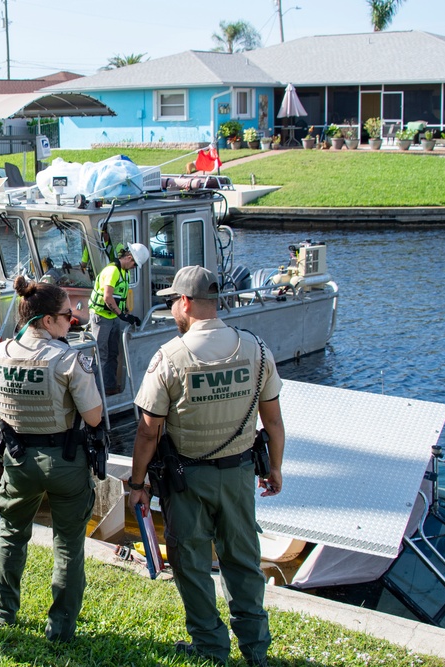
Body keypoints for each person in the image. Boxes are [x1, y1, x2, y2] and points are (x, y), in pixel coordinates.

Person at [126, 265, 285, 667]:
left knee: (190, 561)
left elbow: (148, 433)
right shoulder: (256, 348)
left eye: (173, 304)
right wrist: (275, 468)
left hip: (186, 480)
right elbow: (274, 421)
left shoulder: (170, 357)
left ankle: (211, 645)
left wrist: (137, 482)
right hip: (238, 475)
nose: (172, 312)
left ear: (185, 302)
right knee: (243, 560)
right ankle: (255, 649)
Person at [0, 276, 103, 643]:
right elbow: (93, 417)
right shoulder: (67, 359)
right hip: (64, 461)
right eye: (67, 315)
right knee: (68, 544)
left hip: (17, 461)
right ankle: (60, 629)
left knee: (11, 535)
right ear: (48, 321)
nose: (72, 319)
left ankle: (1, 614)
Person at [88, 242, 150, 395]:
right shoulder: (112, 271)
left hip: (112, 317)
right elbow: (108, 297)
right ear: (129, 258)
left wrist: (127, 315)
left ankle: (109, 386)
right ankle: (96, 392)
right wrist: (121, 314)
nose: (134, 267)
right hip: (101, 317)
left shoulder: (124, 273)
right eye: (135, 264)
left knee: (113, 353)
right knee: (100, 355)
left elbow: (120, 296)